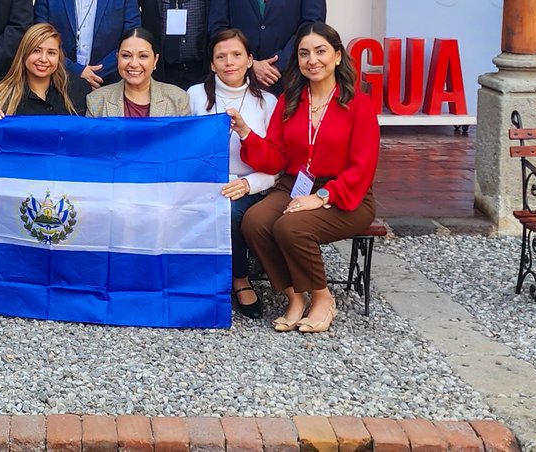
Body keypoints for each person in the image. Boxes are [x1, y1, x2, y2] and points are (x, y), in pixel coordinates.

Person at [229, 22, 378, 334]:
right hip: (296, 184)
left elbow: (362, 168)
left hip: (344, 194)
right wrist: (245, 132)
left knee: (290, 226)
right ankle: (294, 296)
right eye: (304, 53)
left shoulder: (359, 104)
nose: (313, 60)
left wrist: (322, 197)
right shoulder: (291, 100)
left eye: (321, 51)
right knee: (255, 221)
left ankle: (323, 297)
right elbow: (275, 157)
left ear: (338, 56)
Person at [187, 29, 279, 319]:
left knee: (232, 208)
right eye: (221, 57)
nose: (230, 62)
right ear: (212, 64)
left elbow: (277, 162)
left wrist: (247, 183)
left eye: (237, 55)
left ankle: (239, 278)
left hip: (251, 186)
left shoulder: (267, 101)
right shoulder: (194, 96)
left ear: (250, 60)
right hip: (202, 182)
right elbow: (185, 149)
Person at [0, 23, 86, 118]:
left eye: (51, 53)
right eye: (36, 51)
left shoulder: (78, 88)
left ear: (59, 57)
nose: (43, 59)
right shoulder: (2, 96)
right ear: (23, 53)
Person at [85, 28, 191, 117]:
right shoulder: (96, 100)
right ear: (117, 58)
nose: (134, 64)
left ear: (155, 60)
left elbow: (184, 141)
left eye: (143, 56)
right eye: (126, 55)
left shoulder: (178, 99)